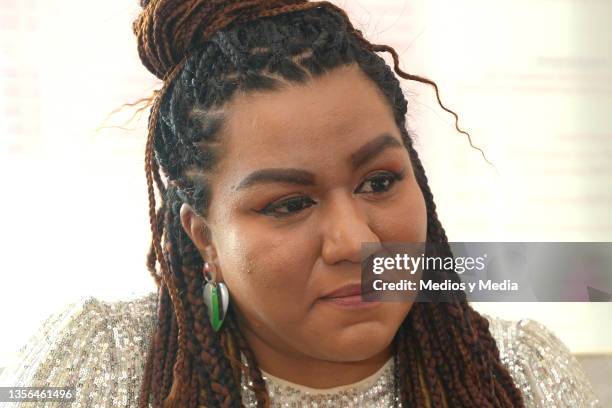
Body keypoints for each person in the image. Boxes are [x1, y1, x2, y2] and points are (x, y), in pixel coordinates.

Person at [0, 1, 601, 407]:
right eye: (288, 203)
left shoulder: (520, 371)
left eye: (379, 181)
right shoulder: (95, 363)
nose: (356, 244)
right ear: (204, 236)